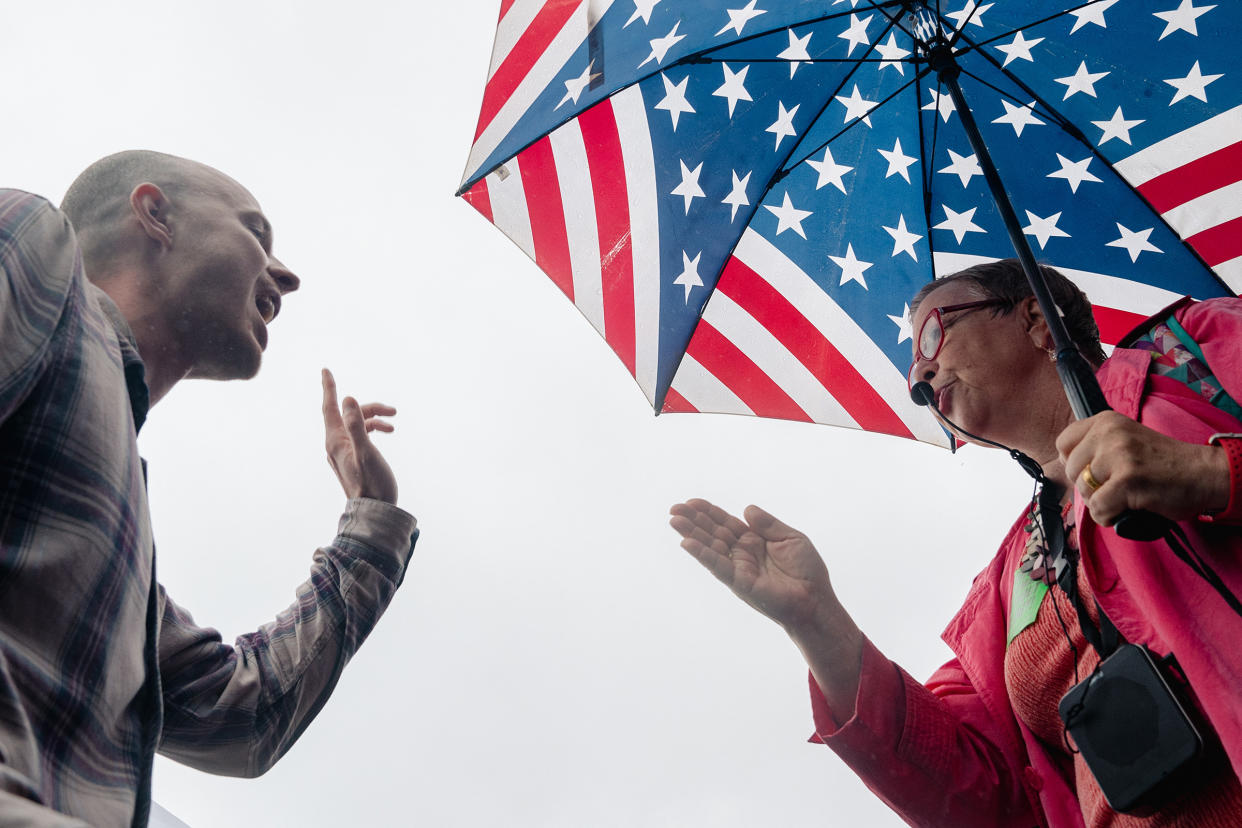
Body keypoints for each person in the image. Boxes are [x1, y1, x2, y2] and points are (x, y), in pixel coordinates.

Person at [670, 259, 1242, 827]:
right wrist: (815, 619)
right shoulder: (1005, 582)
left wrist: (1212, 475)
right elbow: (975, 793)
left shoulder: (1201, 350)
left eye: (933, 335)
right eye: (912, 364)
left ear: (1038, 320)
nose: (919, 376)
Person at [0, 150, 418, 826]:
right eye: (257, 233)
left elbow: (242, 716)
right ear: (154, 215)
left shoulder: (119, 515)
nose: (286, 274)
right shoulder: (30, 237)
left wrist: (371, 522)